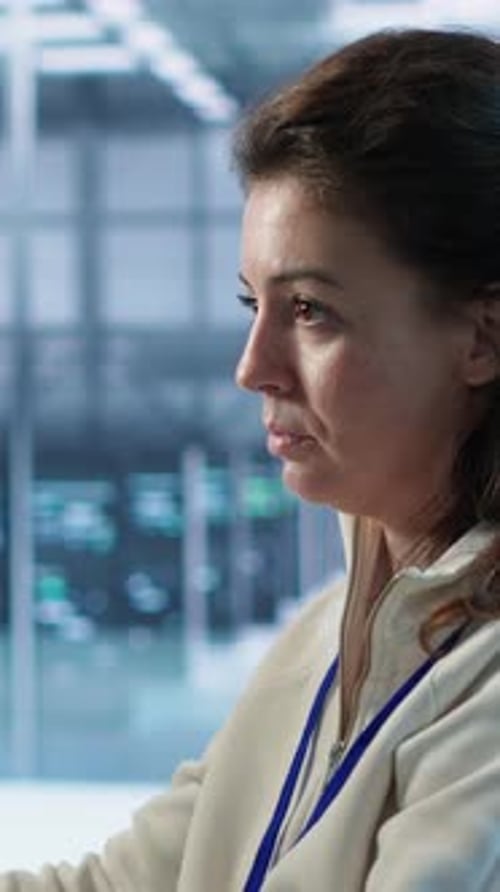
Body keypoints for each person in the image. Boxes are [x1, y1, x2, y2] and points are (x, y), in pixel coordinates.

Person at [2, 26, 500, 892]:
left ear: (483, 336)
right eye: (251, 303)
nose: (252, 367)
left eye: (309, 310)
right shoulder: (321, 642)